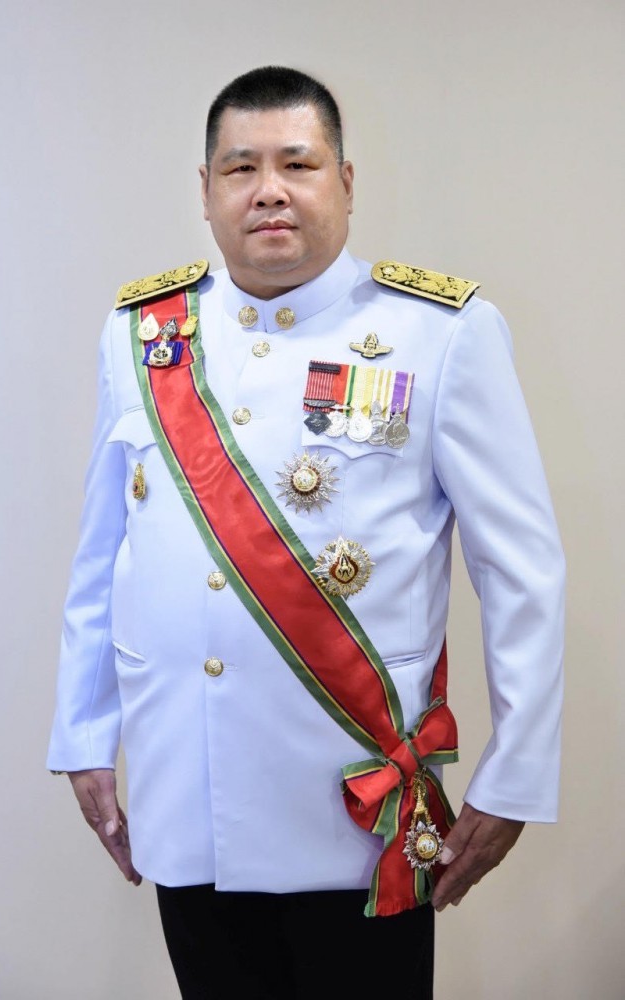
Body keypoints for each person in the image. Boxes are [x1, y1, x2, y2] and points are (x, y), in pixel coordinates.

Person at [47, 66, 565, 998]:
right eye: (240, 168)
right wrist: (84, 734)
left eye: (298, 163)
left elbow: (521, 571)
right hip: (188, 798)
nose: (269, 189)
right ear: (206, 190)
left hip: (352, 813)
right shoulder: (140, 336)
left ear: (346, 182)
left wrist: (517, 772)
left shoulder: (440, 333)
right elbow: (103, 555)